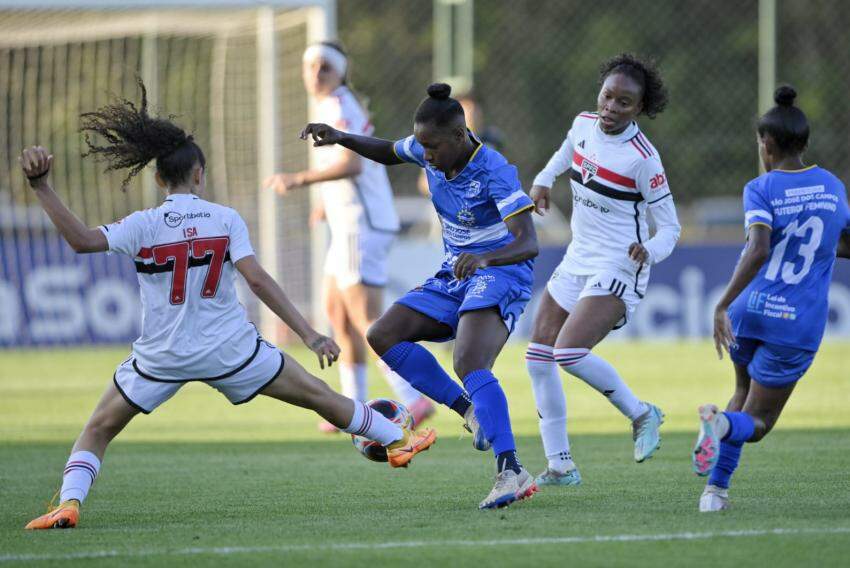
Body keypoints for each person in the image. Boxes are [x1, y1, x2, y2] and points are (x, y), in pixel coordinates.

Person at [22, 81, 436, 530]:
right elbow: (257, 279)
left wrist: (42, 187)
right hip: (232, 350)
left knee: (99, 428)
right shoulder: (224, 219)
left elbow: (82, 241)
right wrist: (309, 334)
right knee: (320, 397)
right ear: (199, 173)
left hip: (163, 355)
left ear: (159, 178)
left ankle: (69, 503)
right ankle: (396, 439)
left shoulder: (141, 224)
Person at [300, 83, 540, 509]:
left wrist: (485, 259)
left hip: (501, 270)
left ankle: (511, 469)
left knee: (468, 360)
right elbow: (390, 150)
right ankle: (469, 410)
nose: (425, 155)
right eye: (422, 145)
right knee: (383, 335)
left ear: (460, 137)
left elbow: (527, 242)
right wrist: (340, 138)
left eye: (432, 147)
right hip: (456, 272)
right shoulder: (428, 147)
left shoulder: (494, 170)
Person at [525, 53, 681, 487]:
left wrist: (648, 251)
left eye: (624, 102)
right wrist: (543, 179)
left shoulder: (643, 158)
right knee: (538, 357)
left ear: (640, 108)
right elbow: (564, 154)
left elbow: (670, 228)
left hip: (620, 262)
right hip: (579, 256)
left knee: (568, 352)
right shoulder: (582, 123)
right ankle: (560, 466)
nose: (611, 107)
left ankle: (641, 413)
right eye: (608, 96)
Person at [693, 85, 850, 512]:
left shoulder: (760, 188)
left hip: (752, 310)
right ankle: (719, 430)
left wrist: (723, 303)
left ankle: (714, 492)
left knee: (741, 391)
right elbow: (841, 243)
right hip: (795, 322)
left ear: (767, 143)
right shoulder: (834, 187)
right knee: (757, 424)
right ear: (804, 143)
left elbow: (759, 247)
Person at [264, 41, 435, 430]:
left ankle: (412, 397)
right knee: (336, 310)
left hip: (363, 224)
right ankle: (353, 405)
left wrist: (298, 180)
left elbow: (352, 164)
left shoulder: (341, 106)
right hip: (348, 224)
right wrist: (325, 202)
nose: (315, 73)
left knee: (367, 318)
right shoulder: (330, 106)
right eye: (310, 66)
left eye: (325, 67)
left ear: (341, 72)